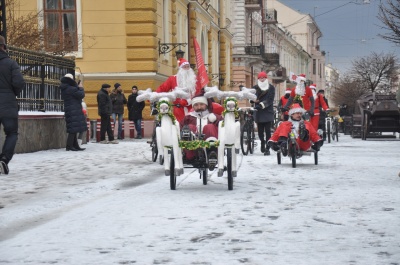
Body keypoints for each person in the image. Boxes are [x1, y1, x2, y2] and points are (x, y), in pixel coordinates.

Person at [0, 35, 25, 175]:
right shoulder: (11, 64)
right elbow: (19, 83)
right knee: (11, 133)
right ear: (4, 47)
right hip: (8, 104)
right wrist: (12, 93)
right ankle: (4, 159)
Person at [180, 95, 223, 170]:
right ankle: (190, 154)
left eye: (201, 104)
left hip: (209, 144)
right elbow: (179, 128)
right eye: (196, 105)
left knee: (209, 127)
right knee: (189, 127)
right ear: (193, 107)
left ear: (206, 105)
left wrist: (217, 120)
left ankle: (211, 154)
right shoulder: (189, 117)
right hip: (193, 147)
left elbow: (223, 127)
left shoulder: (214, 117)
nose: (199, 107)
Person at [156, 58, 197, 123]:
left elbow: (198, 93)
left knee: (192, 127)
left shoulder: (194, 80)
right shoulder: (173, 79)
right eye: (184, 67)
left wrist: (188, 101)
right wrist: (154, 96)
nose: (186, 69)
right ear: (180, 69)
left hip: (192, 109)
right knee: (178, 126)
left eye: (188, 67)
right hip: (178, 109)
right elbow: (163, 88)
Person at [59, 73, 87, 151]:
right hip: (73, 109)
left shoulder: (65, 88)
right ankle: (69, 146)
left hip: (70, 109)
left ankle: (75, 145)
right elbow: (81, 95)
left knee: (74, 128)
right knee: (73, 129)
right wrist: (80, 88)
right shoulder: (71, 88)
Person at [250, 71, 275, 155]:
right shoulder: (255, 88)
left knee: (268, 131)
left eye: (263, 78)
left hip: (267, 111)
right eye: (260, 78)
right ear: (258, 79)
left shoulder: (271, 88)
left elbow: (270, 100)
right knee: (260, 131)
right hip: (259, 112)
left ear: (266, 78)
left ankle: (267, 148)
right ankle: (262, 142)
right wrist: (252, 100)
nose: (262, 79)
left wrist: (261, 104)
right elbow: (251, 97)